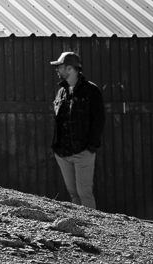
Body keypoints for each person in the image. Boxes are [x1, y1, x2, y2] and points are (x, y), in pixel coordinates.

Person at [50, 51, 105, 209]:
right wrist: (56, 148)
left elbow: (99, 120)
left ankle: (92, 229)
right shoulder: (61, 92)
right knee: (73, 193)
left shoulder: (92, 91)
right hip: (63, 153)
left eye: (59, 67)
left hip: (83, 152)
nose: (57, 70)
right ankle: (80, 227)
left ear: (69, 69)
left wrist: (90, 148)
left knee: (84, 193)